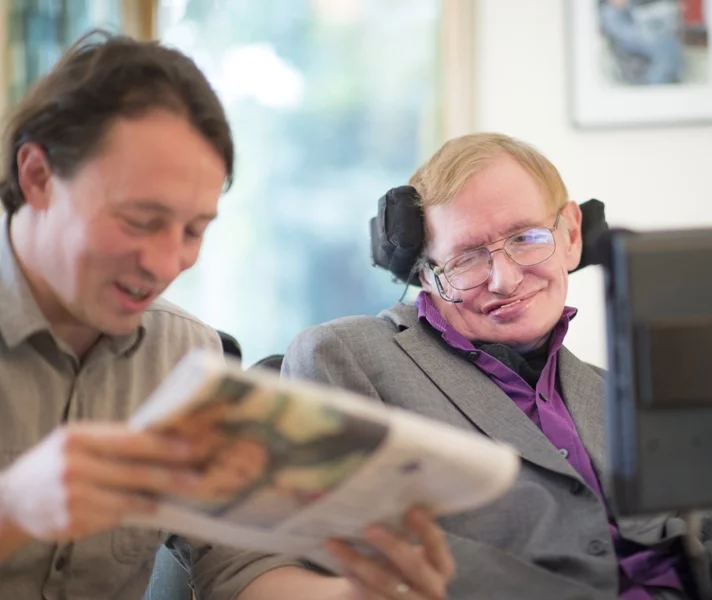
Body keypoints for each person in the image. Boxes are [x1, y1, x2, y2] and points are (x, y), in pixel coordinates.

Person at [282, 132, 712, 600]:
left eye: (527, 238)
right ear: (425, 275)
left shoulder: (617, 390)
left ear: (572, 235)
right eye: (467, 258)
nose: (505, 279)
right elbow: (359, 552)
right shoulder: (347, 357)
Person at [0, 30, 454, 600]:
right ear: (38, 177)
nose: (168, 262)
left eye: (194, 231)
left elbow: (237, 568)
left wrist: (357, 595)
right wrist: (13, 511)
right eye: (140, 220)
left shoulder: (186, 355)